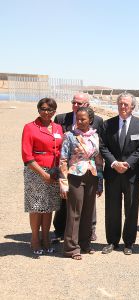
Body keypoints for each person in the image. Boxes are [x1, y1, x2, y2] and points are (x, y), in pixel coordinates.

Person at [100, 92, 139, 255]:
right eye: (120, 103)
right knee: (112, 209)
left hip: (132, 174)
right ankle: (112, 241)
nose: (122, 106)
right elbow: (103, 147)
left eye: (126, 104)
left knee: (131, 209)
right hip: (113, 173)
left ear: (132, 107)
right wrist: (114, 163)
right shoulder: (108, 125)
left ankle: (129, 242)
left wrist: (127, 164)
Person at [52, 92, 103, 243]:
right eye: (73, 102)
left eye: (79, 104)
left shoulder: (98, 121)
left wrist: (100, 177)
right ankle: (60, 230)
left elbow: (99, 150)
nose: (75, 106)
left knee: (88, 204)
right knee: (64, 201)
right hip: (69, 169)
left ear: (87, 105)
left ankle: (89, 232)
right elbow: (59, 146)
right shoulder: (62, 118)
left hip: (89, 171)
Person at [21, 97, 63, 255]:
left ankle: (46, 238)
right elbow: (27, 156)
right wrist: (43, 174)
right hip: (36, 172)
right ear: (38, 109)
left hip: (54, 172)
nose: (47, 112)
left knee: (49, 206)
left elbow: (60, 151)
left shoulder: (58, 127)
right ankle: (35, 239)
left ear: (54, 111)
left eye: (50, 109)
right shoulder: (30, 127)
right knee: (37, 207)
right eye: (44, 109)